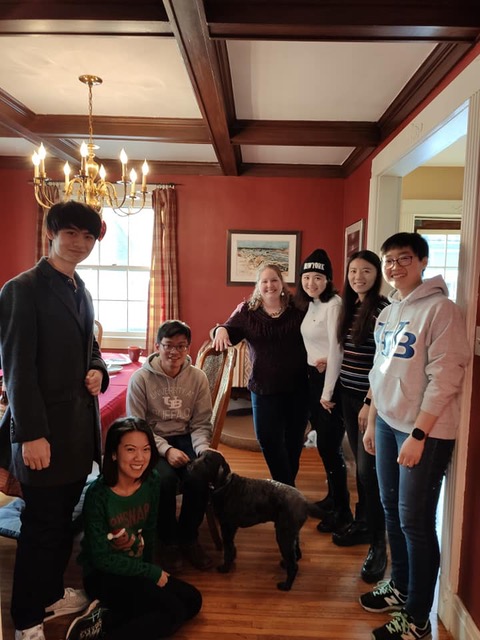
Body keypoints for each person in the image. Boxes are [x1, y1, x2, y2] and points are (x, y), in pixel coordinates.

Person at [0, 201, 109, 640]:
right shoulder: (22, 289)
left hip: (78, 433)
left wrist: (98, 370)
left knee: (63, 521)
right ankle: (27, 619)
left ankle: (49, 595)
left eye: (88, 236)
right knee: (41, 527)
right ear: (51, 233)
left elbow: (91, 349)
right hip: (42, 434)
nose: (80, 243)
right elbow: (17, 369)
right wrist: (31, 435)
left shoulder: (80, 288)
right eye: (71, 233)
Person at [360, 233, 470, 640]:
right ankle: (401, 587)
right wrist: (372, 419)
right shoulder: (390, 312)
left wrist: (419, 433)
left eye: (404, 258)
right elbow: (380, 370)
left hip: (424, 431)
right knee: (391, 509)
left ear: (423, 261)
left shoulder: (442, 310)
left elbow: (446, 377)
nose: (394, 267)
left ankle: (418, 619)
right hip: (388, 423)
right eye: (389, 260)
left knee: (416, 521)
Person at [68, 416, 202, 640]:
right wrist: (151, 573)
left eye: (146, 449)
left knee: (193, 600)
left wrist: (147, 573)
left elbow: (148, 531)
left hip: (136, 569)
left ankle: (106, 618)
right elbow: (101, 559)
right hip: (103, 575)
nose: (140, 458)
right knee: (174, 612)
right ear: (113, 453)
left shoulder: (152, 481)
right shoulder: (98, 495)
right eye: (130, 449)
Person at [126, 320, 213, 572]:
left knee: (199, 476)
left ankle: (189, 538)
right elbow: (138, 426)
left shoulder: (198, 377)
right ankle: (168, 541)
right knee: (163, 480)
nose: (174, 352)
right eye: (168, 346)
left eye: (181, 346)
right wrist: (166, 450)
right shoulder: (140, 379)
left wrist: (202, 449)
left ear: (188, 348)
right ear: (157, 346)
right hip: (150, 441)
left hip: (187, 437)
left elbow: (201, 422)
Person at [212, 263, 308, 487]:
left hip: (297, 389)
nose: (269, 285)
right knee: (267, 438)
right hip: (263, 388)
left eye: (274, 280)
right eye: (264, 281)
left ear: (282, 283)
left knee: (293, 442)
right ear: (258, 285)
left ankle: (284, 490)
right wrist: (220, 330)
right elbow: (226, 330)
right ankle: (286, 488)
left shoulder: (298, 308)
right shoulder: (247, 311)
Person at [333, 250, 389, 584]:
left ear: (376, 274)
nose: (358, 277)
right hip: (348, 396)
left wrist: (370, 402)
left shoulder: (382, 309)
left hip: (371, 402)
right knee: (359, 467)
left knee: (370, 472)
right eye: (353, 271)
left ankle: (379, 546)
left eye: (366, 271)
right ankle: (363, 523)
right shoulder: (348, 305)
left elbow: (383, 363)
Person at [294, 249, 352, 535]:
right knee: (325, 448)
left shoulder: (334, 305)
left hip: (331, 385)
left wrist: (327, 393)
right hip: (314, 379)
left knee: (330, 447)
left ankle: (343, 511)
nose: (311, 282)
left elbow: (338, 349)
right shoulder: (312, 304)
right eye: (307, 277)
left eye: (318, 277)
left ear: (328, 279)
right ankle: (333, 499)